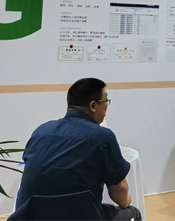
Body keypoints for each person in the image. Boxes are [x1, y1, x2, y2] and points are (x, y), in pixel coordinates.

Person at [15, 78, 141, 221]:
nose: (107, 106)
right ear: (93, 106)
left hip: (28, 215)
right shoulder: (103, 137)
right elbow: (119, 192)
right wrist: (127, 200)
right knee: (132, 213)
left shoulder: (40, 131)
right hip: (77, 216)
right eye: (106, 101)